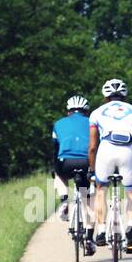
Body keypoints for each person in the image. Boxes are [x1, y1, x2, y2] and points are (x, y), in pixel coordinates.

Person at [87, 79, 132, 256]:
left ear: (105, 96)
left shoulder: (96, 113)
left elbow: (92, 146)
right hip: (127, 150)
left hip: (106, 150)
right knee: (131, 193)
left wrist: (91, 169)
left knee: (101, 190)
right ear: (125, 96)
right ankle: (131, 227)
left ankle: (102, 230)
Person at [51, 95, 92, 235]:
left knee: (58, 174)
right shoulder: (93, 122)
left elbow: (55, 148)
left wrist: (55, 168)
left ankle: (64, 200)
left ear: (68, 111)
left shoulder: (58, 124)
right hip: (87, 161)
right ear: (86, 111)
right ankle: (88, 234)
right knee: (87, 198)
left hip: (65, 162)